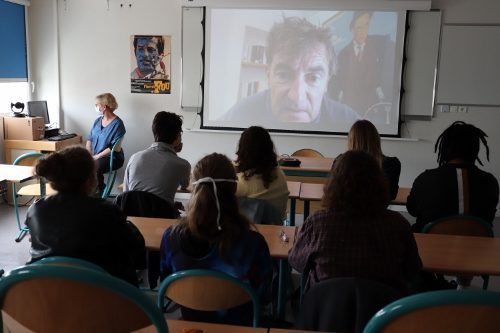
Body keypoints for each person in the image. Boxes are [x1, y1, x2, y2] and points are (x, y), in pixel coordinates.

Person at [160, 153, 273, 325]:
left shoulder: (171, 237)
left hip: (191, 326)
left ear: (193, 187)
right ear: (234, 188)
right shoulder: (253, 244)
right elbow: (264, 294)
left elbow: (167, 285)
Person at [289, 151, 422, 294]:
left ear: (333, 184)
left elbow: (297, 263)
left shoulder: (318, 223)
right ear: (380, 183)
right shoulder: (398, 224)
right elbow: (412, 270)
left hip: (329, 311)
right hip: (383, 312)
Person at [25, 146, 145, 286]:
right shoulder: (106, 211)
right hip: (102, 296)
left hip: (47, 294)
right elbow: (137, 254)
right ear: (90, 180)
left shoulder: (35, 210)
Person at [222, 17, 359, 130]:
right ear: (268, 76)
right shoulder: (238, 115)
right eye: (283, 75)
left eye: (313, 78)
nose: (297, 97)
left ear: (326, 83)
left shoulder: (352, 123)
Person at [407, 121, 499, 233]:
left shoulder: (425, 179)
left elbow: (412, 210)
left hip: (430, 245)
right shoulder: (490, 181)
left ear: (445, 148)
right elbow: (490, 216)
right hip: (478, 246)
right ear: (475, 149)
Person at [329, 11, 395, 117]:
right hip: (351, 111)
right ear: (352, 29)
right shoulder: (342, 54)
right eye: (359, 27)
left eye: (366, 25)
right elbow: (336, 84)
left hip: (376, 110)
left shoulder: (381, 44)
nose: (364, 30)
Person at [123, 111, 191, 206]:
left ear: (154, 132)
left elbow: (126, 192)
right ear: (178, 137)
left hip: (132, 216)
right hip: (163, 217)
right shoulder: (182, 165)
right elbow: (184, 185)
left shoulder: (135, 157)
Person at [235, 126, 289, 218]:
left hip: (247, 230)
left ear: (243, 151)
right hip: (276, 230)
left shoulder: (242, 183)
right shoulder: (280, 175)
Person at [339, 120, 401, 200]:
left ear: (351, 140)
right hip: (377, 211)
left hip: (345, 211)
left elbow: (333, 192)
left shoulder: (340, 162)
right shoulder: (391, 164)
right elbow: (391, 195)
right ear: (376, 139)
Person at [86, 92, 126, 194]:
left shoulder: (118, 124)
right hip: (95, 156)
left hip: (112, 157)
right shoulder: (97, 121)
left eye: (97, 105)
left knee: (94, 166)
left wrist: (96, 157)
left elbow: (112, 147)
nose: (95, 107)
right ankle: (85, 193)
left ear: (104, 106)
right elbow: (89, 139)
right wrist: (88, 154)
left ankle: (99, 191)